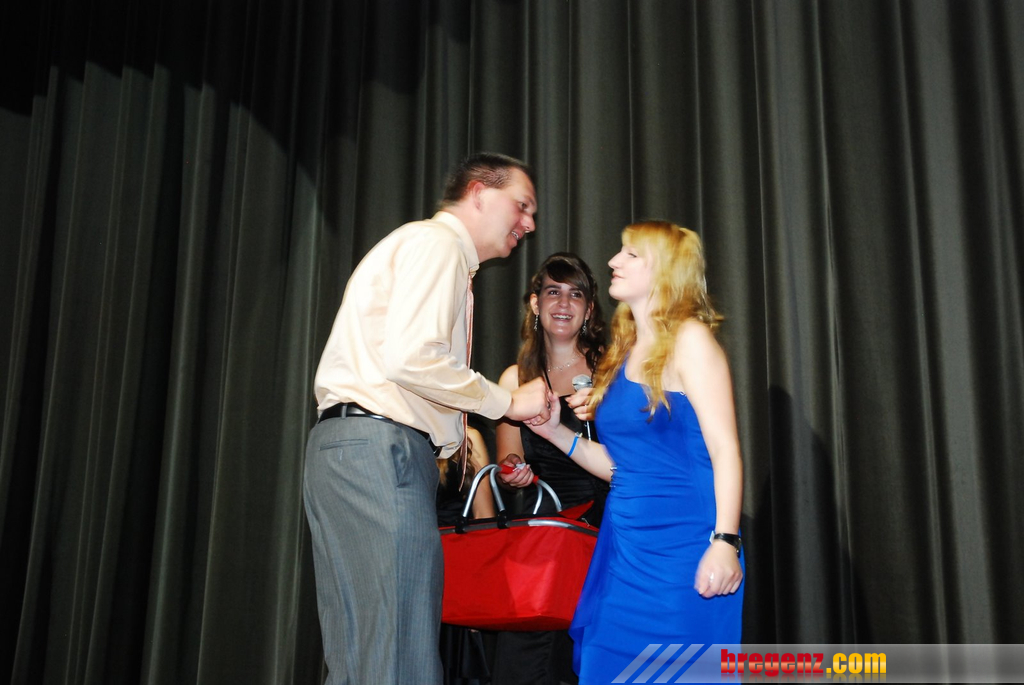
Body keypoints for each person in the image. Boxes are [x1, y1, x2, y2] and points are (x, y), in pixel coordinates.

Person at [303, 152, 551, 685]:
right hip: (379, 451)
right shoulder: (439, 245)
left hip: (353, 450)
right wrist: (509, 404)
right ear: (479, 194)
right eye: (522, 205)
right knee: (400, 653)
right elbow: (413, 359)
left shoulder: (424, 247)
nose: (529, 223)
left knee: (365, 657)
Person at [526, 221, 744, 682]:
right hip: (625, 554)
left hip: (684, 549)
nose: (613, 261)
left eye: (630, 254)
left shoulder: (689, 340)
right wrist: (554, 432)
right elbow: (622, 468)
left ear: (664, 269)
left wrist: (725, 541)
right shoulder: (623, 351)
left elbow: (725, 450)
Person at [491, 253, 609, 685]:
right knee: (531, 658)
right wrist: (513, 472)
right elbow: (507, 462)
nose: (563, 303)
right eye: (553, 292)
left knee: (595, 652)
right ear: (535, 303)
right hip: (544, 531)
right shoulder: (514, 378)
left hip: (609, 527)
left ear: (589, 309)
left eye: (575, 294)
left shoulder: (613, 368)